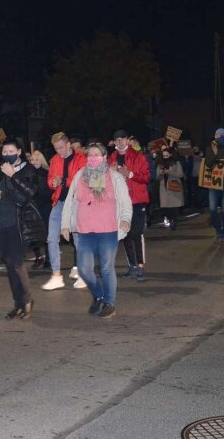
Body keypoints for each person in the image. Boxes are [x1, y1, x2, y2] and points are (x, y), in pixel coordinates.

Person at [61, 142, 133, 319]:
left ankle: (109, 303)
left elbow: (125, 202)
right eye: (90, 155)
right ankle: (99, 295)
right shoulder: (80, 176)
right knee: (84, 270)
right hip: (84, 230)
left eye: (96, 155)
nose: (92, 158)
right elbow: (70, 201)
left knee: (106, 268)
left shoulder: (114, 178)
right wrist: (65, 224)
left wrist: (125, 220)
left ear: (104, 157)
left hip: (107, 230)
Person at [0, 139, 45, 319]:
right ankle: (18, 303)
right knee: (10, 266)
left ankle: (27, 300)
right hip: (2, 224)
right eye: (4, 151)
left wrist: (13, 176)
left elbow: (30, 193)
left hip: (20, 225)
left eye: (11, 150)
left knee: (17, 263)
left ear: (19, 152)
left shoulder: (28, 170)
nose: (7, 154)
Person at [42, 132, 86, 290]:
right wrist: (53, 183)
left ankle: (83, 274)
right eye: (56, 148)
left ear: (68, 145)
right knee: (51, 238)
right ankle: (56, 275)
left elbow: (82, 180)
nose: (59, 151)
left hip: (76, 202)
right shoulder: (54, 160)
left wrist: (63, 181)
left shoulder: (81, 158)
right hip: (59, 201)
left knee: (77, 238)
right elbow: (50, 181)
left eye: (61, 147)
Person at [108, 130, 150, 281]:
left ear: (127, 140)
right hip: (120, 202)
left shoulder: (138, 155)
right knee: (125, 234)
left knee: (136, 234)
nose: (120, 142)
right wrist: (110, 173)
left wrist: (130, 174)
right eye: (117, 140)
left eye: (123, 139)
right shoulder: (111, 158)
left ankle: (140, 265)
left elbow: (146, 177)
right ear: (114, 142)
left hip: (137, 200)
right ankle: (132, 265)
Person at [29, 150, 52, 268]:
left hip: (44, 206)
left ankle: (48, 259)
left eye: (36, 160)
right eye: (32, 160)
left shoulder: (46, 173)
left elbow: (49, 191)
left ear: (41, 160)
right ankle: (38, 256)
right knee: (32, 233)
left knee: (47, 233)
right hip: (32, 207)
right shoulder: (27, 174)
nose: (34, 162)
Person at [156, 146, 185, 230]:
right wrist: (161, 174)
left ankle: (174, 221)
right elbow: (157, 178)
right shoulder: (160, 164)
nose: (165, 157)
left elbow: (180, 174)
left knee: (174, 207)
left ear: (171, 155)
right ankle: (169, 219)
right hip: (164, 188)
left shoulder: (176, 163)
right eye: (164, 156)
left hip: (173, 187)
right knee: (166, 208)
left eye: (167, 155)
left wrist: (170, 172)